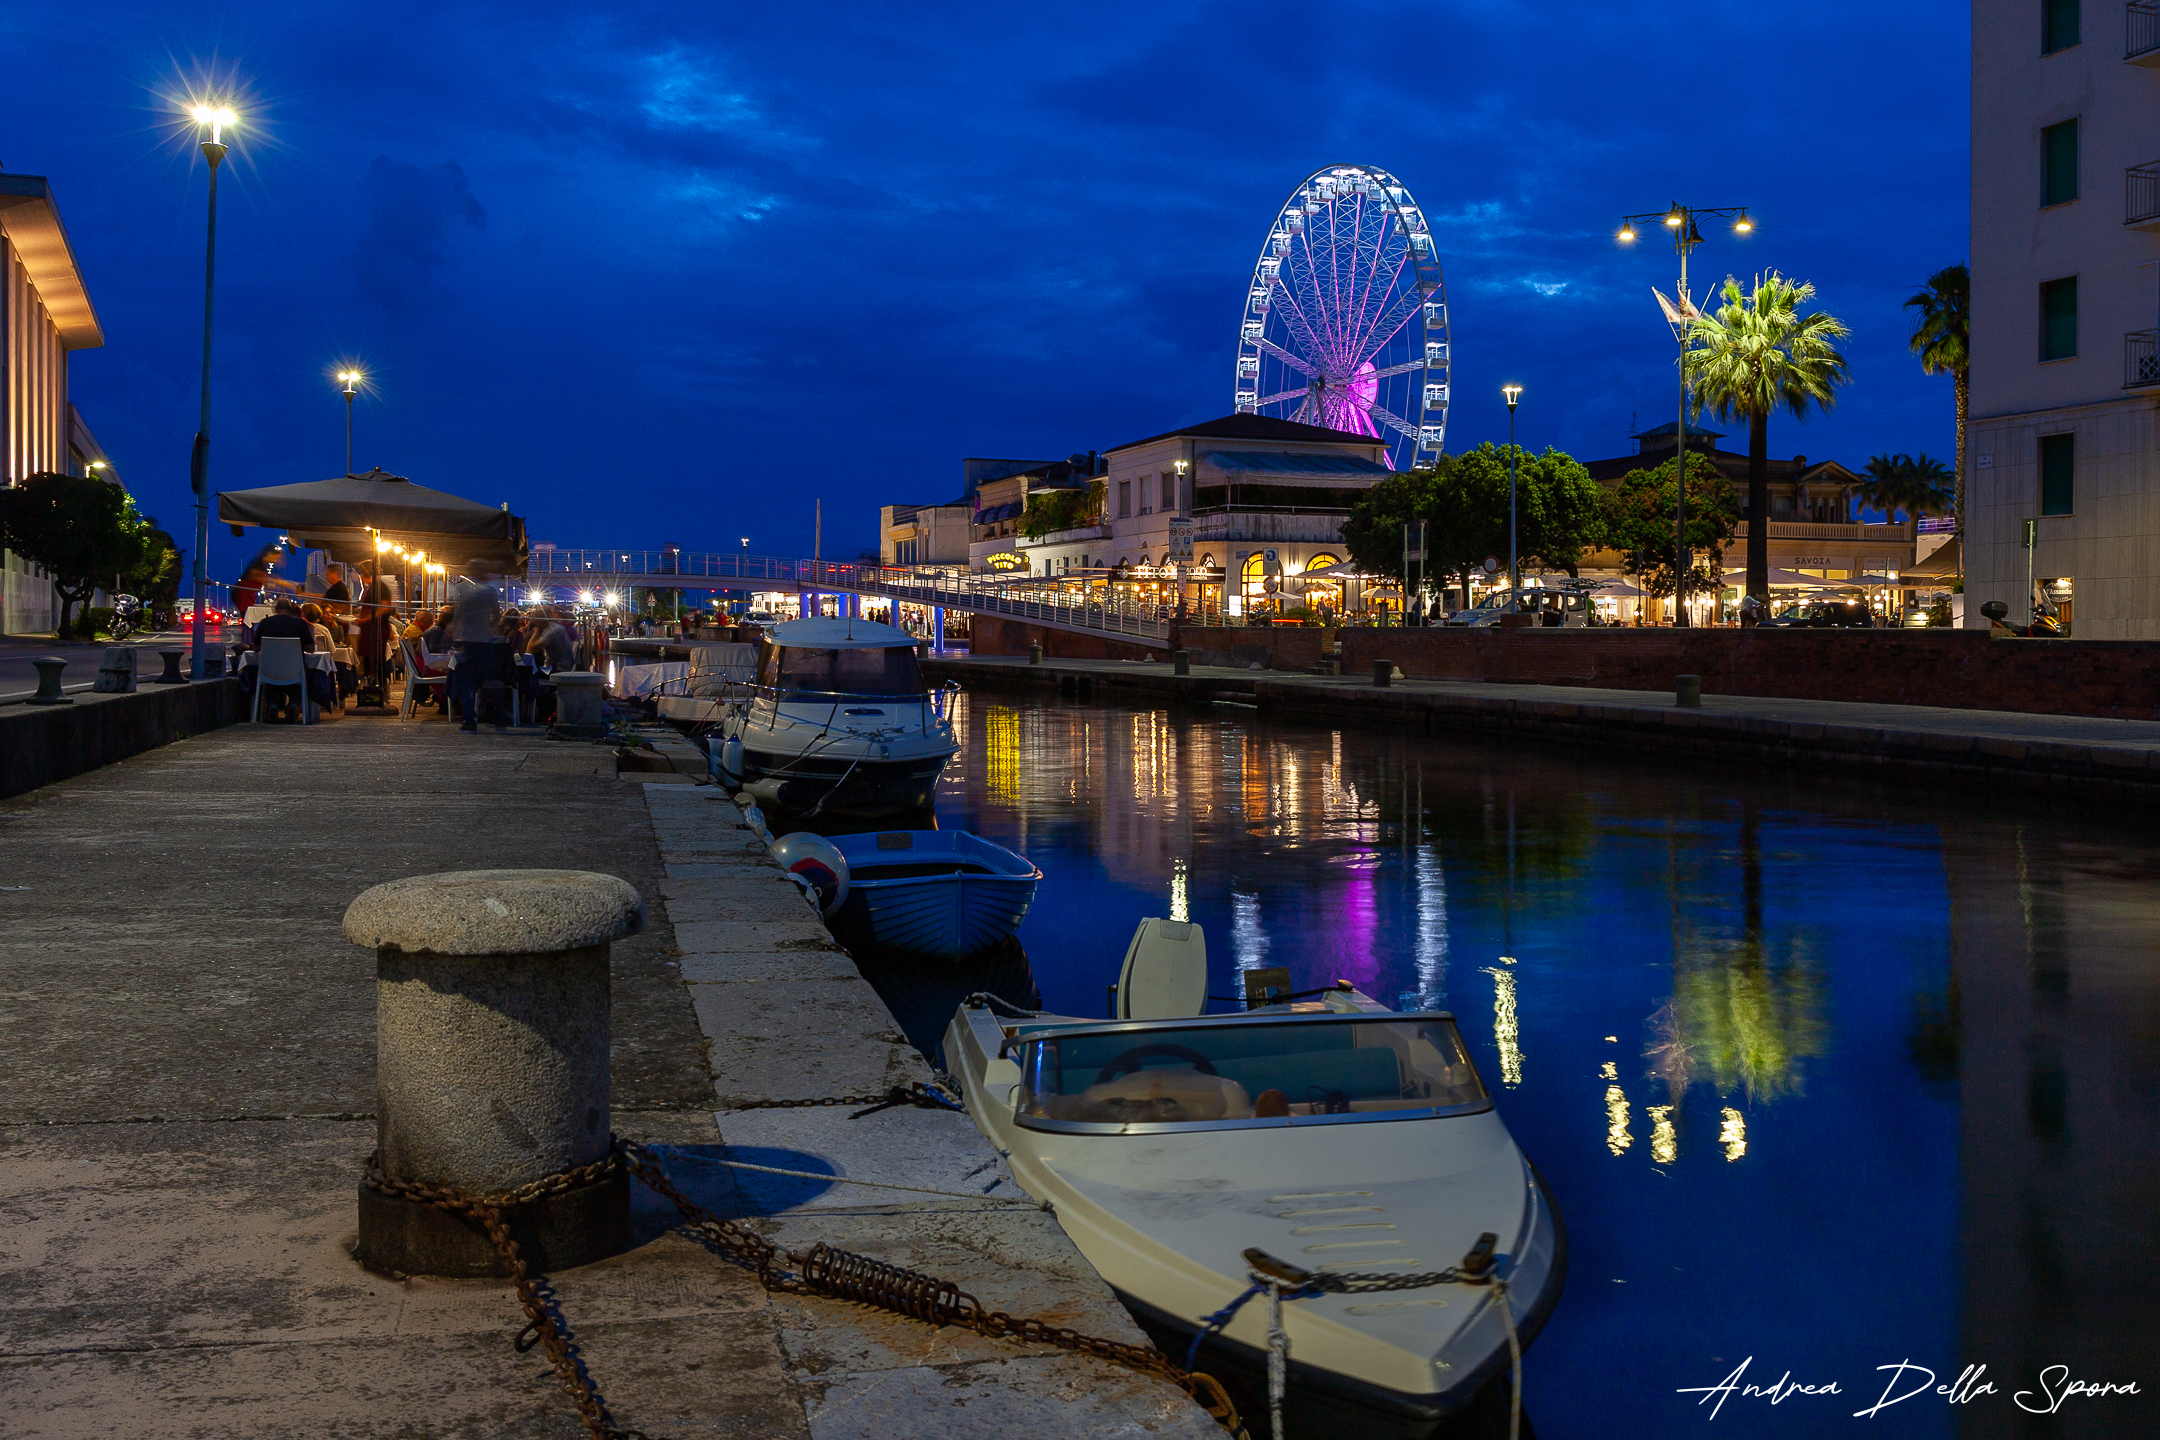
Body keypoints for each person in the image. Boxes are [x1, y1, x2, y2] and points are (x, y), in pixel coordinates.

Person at [446, 576, 503, 732]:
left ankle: (469, 719)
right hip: (483, 641)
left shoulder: (459, 589)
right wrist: (488, 626)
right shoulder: (489, 591)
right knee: (490, 679)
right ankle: (498, 714)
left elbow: (452, 611)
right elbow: (497, 614)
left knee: (463, 682)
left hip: (463, 640)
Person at [247, 598, 317, 722]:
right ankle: (294, 703)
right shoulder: (300, 624)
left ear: (275, 609)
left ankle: (272, 704)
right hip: (295, 671)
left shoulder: (264, 623)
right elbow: (311, 649)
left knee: (263, 677)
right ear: (291, 610)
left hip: (269, 671)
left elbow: (256, 649)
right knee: (307, 675)